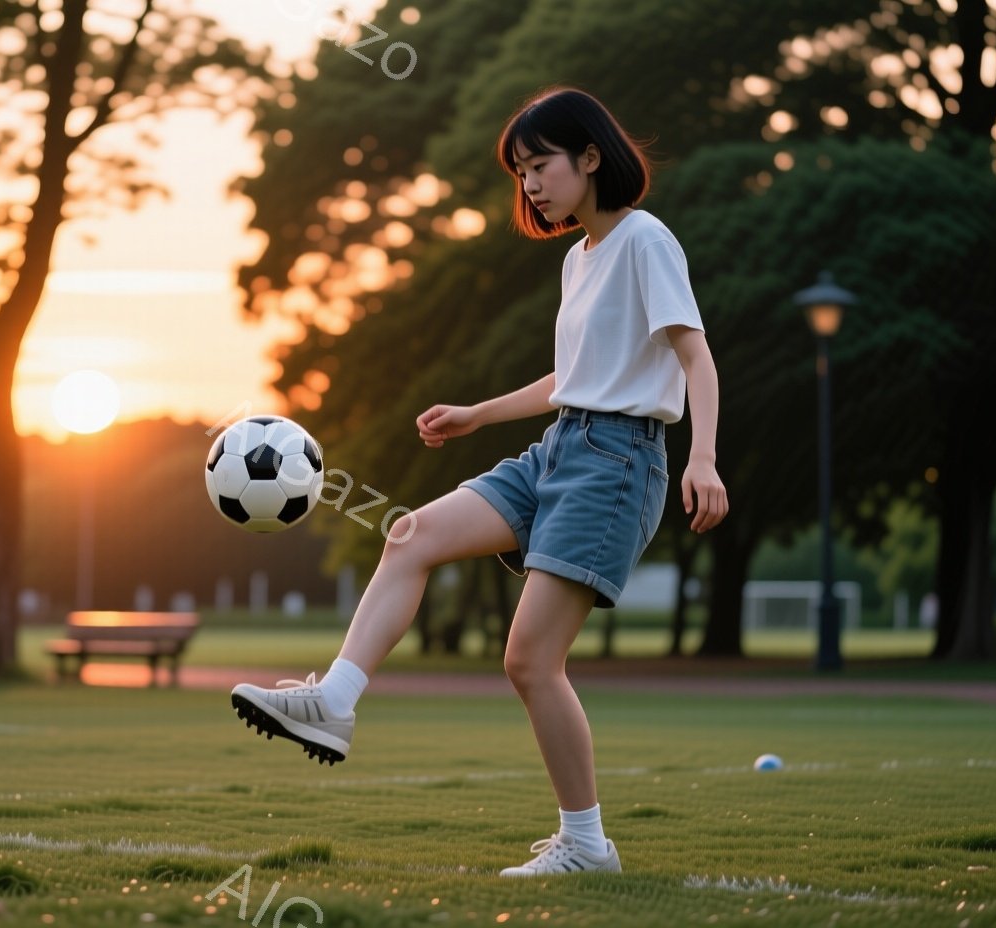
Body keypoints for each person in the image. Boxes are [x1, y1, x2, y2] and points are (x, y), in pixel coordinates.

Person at [229, 85, 729, 877]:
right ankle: (334, 703)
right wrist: (476, 413)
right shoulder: (582, 257)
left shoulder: (644, 241)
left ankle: (588, 845)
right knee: (409, 534)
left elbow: (694, 355)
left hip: (620, 462)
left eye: (540, 164)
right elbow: (571, 376)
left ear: (591, 157)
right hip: (560, 448)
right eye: (520, 171)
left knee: (530, 661)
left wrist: (703, 458)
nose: (529, 184)